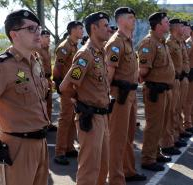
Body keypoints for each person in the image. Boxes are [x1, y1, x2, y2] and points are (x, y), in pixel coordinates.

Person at [0, 9, 49, 185]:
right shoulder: (3, 66)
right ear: (14, 34)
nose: (38, 33)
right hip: (18, 146)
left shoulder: (35, 62)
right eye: (31, 29)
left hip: (41, 143)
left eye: (38, 28)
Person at [60, 11, 111, 185]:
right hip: (90, 117)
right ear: (94, 28)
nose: (109, 29)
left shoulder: (100, 52)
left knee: (103, 166)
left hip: (103, 116)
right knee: (89, 168)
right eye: (105, 25)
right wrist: (79, 102)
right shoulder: (85, 55)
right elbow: (65, 87)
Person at [104, 7, 146, 185]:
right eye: (130, 17)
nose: (134, 20)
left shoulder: (128, 42)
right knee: (117, 139)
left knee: (128, 137)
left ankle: (127, 171)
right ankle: (115, 178)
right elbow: (108, 74)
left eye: (134, 17)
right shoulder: (115, 42)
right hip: (119, 96)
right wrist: (105, 98)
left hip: (130, 94)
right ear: (120, 21)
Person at [138, 12, 175, 171]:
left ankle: (156, 152)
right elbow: (143, 70)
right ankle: (148, 158)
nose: (169, 25)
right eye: (166, 22)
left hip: (165, 89)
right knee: (154, 125)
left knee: (161, 124)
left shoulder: (161, 42)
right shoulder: (149, 42)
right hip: (155, 90)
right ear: (158, 25)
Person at [53, 20, 84, 165]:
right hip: (67, 89)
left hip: (74, 88)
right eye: (79, 28)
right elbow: (58, 67)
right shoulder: (64, 47)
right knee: (65, 119)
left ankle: (69, 147)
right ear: (72, 30)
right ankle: (59, 152)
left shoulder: (75, 46)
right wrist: (59, 85)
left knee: (72, 118)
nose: (82, 31)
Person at [159, 18, 184, 155]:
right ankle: (167, 142)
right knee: (169, 113)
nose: (183, 28)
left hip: (179, 79)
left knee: (175, 110)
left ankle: (173, 138)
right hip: (170, 81)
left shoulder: (176, 42)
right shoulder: (168, 42)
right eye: (180, 26)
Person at [38, 29, 57, 131]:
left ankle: (48, 123)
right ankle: (42, 125)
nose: (49, 39)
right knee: (42, 104)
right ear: (40, 38)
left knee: (49, 104)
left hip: (48, 79)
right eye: (46, 37)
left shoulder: (47, 50)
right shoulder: (37, 50)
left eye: (49, 37)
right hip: (41, 80)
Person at [184, 25, 193, 133]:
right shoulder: (189, 43)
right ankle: (187, 123)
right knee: (188, 100)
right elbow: (185, 58)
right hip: (190, 74)